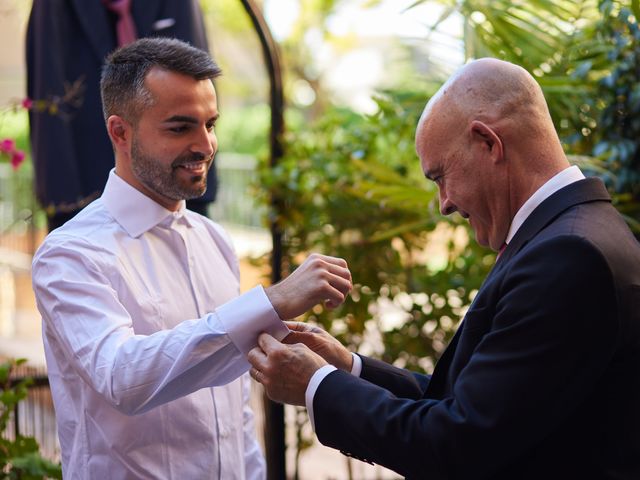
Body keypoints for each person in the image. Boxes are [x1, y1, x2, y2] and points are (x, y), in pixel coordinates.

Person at [247, 58, 640, 479]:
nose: (444, 204)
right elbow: (476, 406)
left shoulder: (567, 255)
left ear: (488, 142)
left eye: (440, 176)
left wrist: (316, 385)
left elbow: (458, 444)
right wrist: (348, 368)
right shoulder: (580, 232)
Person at [31, 37, 352, 480]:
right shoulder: (69, 254)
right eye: (180, 127)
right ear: (119, 132)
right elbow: (124, 378)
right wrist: (271, 302)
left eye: (211, 124)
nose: (205, 145)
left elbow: (234, 413)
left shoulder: (214, 240)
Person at [27, 0, 218, 231]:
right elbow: (46, 90)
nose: (206, 146)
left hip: (176, 189)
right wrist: (60, 200)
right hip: (86, 181)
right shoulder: (54, 8)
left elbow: (200, 96)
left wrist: (201, 190)